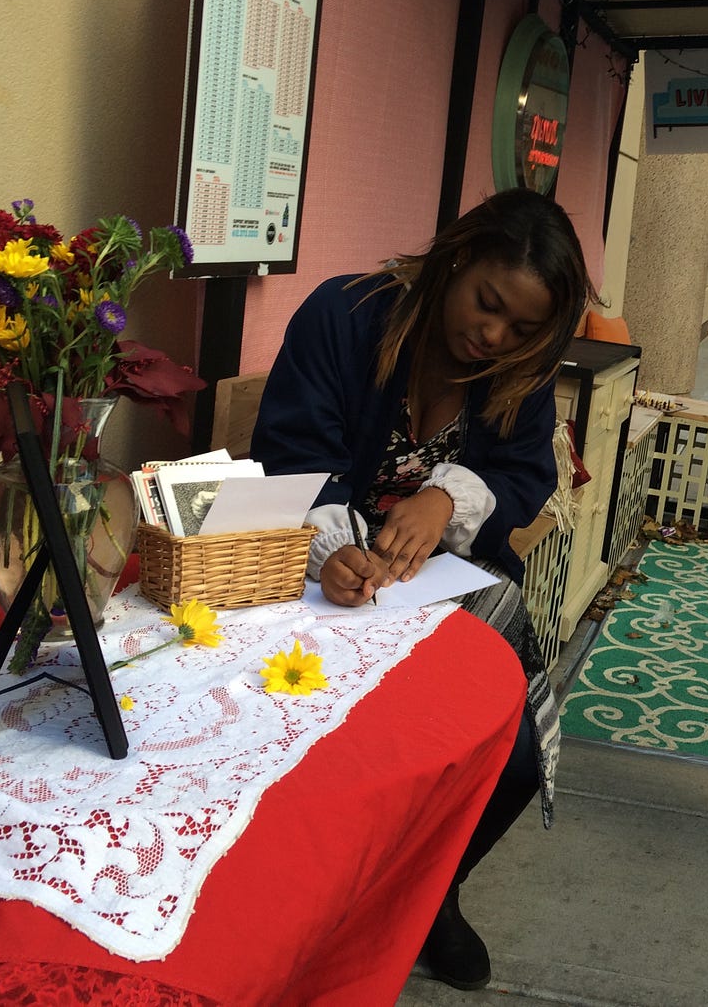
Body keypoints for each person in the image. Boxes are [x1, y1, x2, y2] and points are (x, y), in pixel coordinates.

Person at [252, 187, 596, 991]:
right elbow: (289, 454)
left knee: (513, 751)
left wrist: (446, 496)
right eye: (486, 304)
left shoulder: (520, 369)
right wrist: (335, 548)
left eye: (520, 328)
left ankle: (433, 892)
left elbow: (524, 476)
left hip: (442, 589)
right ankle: (339, 902)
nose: (492, 335)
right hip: (318, 582)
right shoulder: (345, 316)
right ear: (456, 258)